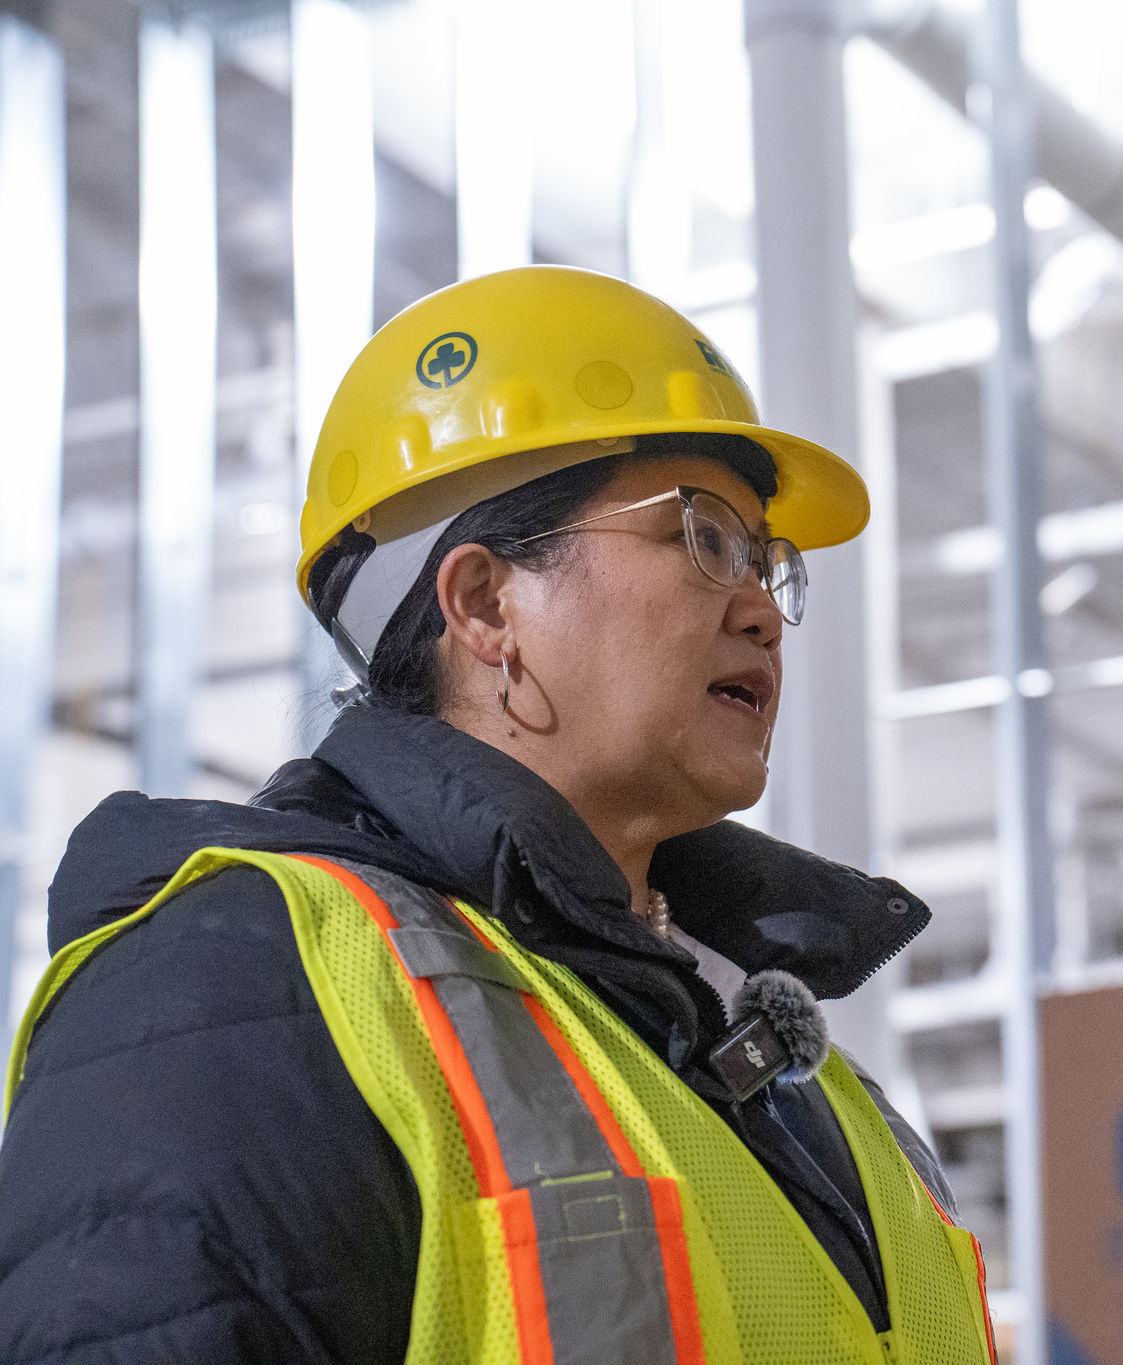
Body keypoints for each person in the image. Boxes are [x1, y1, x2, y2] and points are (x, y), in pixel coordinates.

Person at [0, 266, 997, 1363]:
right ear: (482, 605)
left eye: (767, 561)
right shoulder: (236, 983)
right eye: (706, 538)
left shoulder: (793, 1079)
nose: (761, 608)